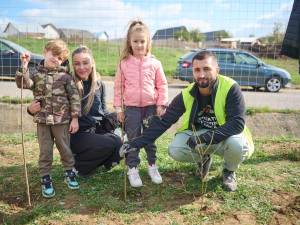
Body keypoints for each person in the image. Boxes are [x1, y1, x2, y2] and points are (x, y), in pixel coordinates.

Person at [121, 50, 254, 192]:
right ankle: (203, 159)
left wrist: (204, 138)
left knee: (237, 145)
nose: (201, 74)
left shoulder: (230, 88)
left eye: (206, 69)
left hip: (225, 136)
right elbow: (164, 121)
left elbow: (237, 123)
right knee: (176, 149)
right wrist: (136, 143)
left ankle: (229, 171)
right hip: (200, 135)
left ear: (217, 70)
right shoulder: (187, 93)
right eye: (197, 70)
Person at [28, 45, 122, 178]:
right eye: (77, 64)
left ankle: (103, 159)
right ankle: (78, 166)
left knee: (121, 141)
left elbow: (104, 111)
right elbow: (49, 104)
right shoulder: (67, 82)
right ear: (72, 65)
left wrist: (119, 118)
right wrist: (30, 110)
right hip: (76, 134)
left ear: (92, 63)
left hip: (95, 129)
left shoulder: (99, 83)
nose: (82, 67)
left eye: (85, 62)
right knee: (112, 143)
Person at [16, 39, 81, 198]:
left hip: (61, 121)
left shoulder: (65, 77)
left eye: (60, 58)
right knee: (45, 151)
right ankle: (45, 177)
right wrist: (24, 66)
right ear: (45, 51)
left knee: (65, 148)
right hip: (42, 121)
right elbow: (23, 83)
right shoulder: (35, 74)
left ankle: (69, 171)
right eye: (54, 54)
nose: (56, 59)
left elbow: (74, 98)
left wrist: (75, 118)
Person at [114, 20, 168, 187]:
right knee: (133, 138)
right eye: (135, 41)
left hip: (151, 107)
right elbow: (118, 87)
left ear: (148, 42)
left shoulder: (155, 63)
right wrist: (118, 108)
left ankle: (152, 165)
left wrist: (161, 104)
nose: (139, 45)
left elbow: (162, 85)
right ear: (129, 43)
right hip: (131, 108)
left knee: (150, 138)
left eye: (142, 41)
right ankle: (133, 168)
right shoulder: (123, 64)